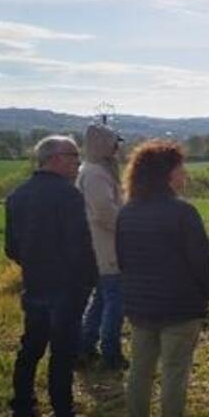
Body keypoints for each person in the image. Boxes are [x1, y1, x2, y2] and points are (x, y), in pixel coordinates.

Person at [117, 140, 209, 417]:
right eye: (180, 167)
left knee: (140, 372)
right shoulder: (182, 212)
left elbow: (123, 260)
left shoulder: (127, 212)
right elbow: (201, 261)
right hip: (179, 305)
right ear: (167, 173)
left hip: (140, 304)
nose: (184, 173)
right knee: (174, 373)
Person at [5, 136, 98, 417]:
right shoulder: (68, 196)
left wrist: (34, 266)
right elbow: (80, 247)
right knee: (62, 354)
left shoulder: (17, 196)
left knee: (30, 350)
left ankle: (22, 415)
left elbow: (11, 248)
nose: (77, 162)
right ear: (55, 158)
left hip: (34, 284)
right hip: (67, 286)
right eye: (73, 156)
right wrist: (88, 280)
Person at [77, 122, 127, 370]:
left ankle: (85, 347)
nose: (117, 147)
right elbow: (105, 212)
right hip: (106, 247)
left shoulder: (96, 169)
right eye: (114, 142)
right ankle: (111, 353)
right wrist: (129, 229)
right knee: (115, 300)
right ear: (103, 144)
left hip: (101, 245)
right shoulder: (96, 173)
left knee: (101, 299)